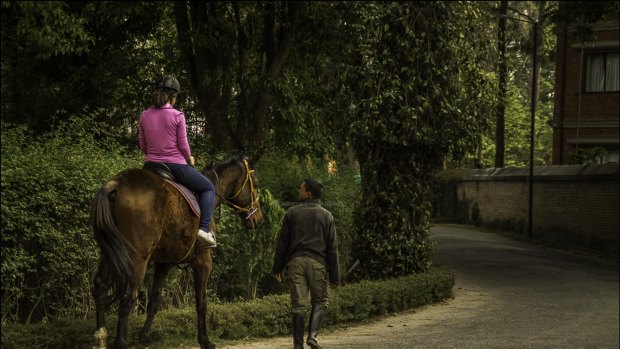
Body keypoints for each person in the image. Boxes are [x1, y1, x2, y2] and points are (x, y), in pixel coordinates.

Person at [139, 74, 217, 247]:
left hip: (150, 166)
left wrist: (154, 153)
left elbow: (143, 145)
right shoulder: (177, 115)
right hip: (174, 166)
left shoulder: (144, 115)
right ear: (174, 97)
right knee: (208, 188)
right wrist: (189, 159)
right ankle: (204, 230)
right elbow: (183, 145)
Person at [273, 178, 341, 349]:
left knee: (298, 306)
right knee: (320, 300)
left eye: (301, 189)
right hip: (318, 264)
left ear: (309, 193)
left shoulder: (292, 213)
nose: (299, 191)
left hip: (295, 264)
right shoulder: (326, 215)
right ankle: (312, 336)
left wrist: (277, 268)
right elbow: (332, 248)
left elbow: (282, 243)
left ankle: (298, 346)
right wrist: (335, 277)